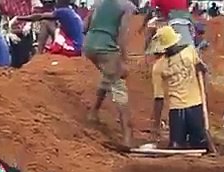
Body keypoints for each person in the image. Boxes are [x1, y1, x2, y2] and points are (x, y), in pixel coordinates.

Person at [149, 25, 214, 149]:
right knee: (183, 146)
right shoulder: (160, 66)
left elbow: (159, 99)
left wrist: (156, 125)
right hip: (183, 107)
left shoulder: (188, 52)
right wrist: (156, 125)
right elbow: (158, 98)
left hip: (189, 106)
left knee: (190, 145)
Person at [83, 0, 135, 146]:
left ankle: (93, 112)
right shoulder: (127, 6)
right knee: (119, 86)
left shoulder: (97, 2)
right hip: (106, 47)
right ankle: (127, 137)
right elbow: (122, 34)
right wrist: (124, 60)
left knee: (108, 76)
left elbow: (84, 25)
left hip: (89, 44)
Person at [15, 0, 85, 55]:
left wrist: (18, 18)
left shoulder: (63, 11)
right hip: (78, 46)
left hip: (73, 48)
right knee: (53, 24)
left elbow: (40, 16)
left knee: (45, 22)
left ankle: (38, 53)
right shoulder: (70, 12)